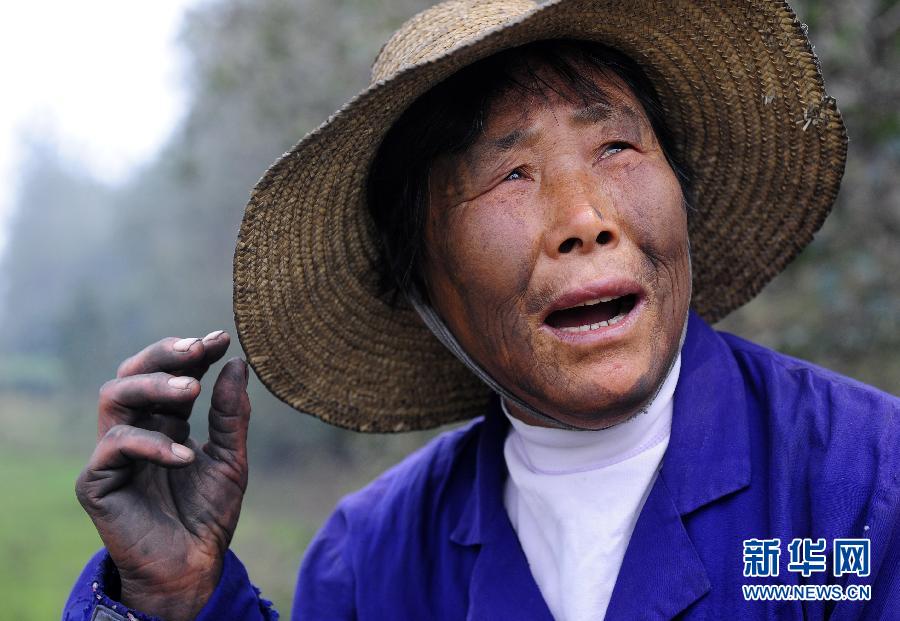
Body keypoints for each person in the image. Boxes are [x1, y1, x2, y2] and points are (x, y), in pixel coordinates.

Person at [63, 1, 899, 620]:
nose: (586, 219)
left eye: (616, 146)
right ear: (420, 280)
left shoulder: (859, 488)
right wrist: (174, 598)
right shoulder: (370, 564)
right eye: (510, 175)